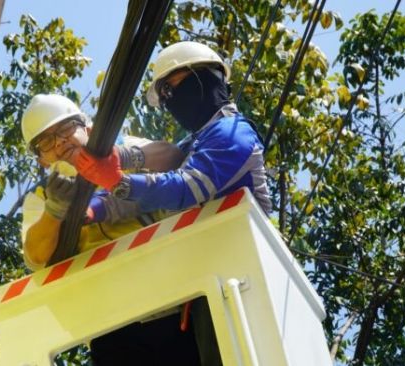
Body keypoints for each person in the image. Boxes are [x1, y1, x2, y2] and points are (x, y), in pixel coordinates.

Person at [73, 41, 272, 366]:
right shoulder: (192, 145)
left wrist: (118, 181)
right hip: (200, 291)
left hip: (242, 284)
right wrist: (96, 207)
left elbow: (187, 187)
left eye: (171, 88)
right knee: (116, 342)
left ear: (204, 77)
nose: (169, 102)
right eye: (162, 96)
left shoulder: (233, 134)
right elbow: (153, 190)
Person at [20, 94, 184, 270]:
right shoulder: (41, 197)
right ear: (42, 161)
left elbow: (173, 156)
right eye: (46, 141)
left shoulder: (119, 147)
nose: (59, 142)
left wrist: (123, 157)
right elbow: (36, 256)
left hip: (161, 258)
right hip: (98, 283)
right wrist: (54, 210)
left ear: (87, 128)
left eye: (66, 128)